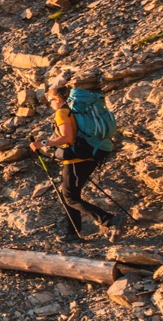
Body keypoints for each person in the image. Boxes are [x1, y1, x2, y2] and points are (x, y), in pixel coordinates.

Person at [30, 81, 121, 240]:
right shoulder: (74, 111)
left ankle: (108, 220)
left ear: (57, 100)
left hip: (77, 159)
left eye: (50, 100)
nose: (49, 104)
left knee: (70, 197)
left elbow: (67, 138)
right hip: (85, 156)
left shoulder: (62, 113)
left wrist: (42, 143)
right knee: (70, 196)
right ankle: (72, 232)